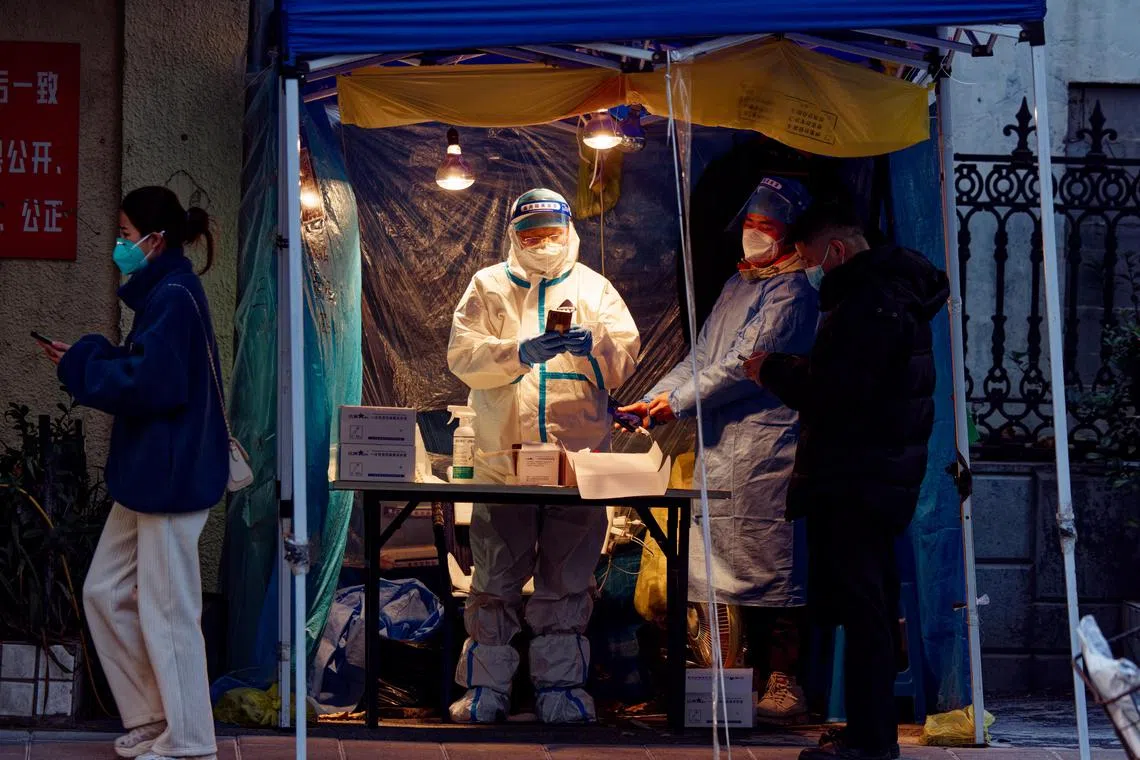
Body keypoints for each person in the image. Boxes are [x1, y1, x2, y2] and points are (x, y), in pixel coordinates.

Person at [744, 201, 950, 760]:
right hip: (879, 476)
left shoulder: (867, 303)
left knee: (865, 614)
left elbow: (836, 393)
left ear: (835, 251)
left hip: (857, 479)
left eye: (811, 260)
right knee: (871, 609)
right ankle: (868, 730)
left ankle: (871, 741)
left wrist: (773, 369)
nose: (811, 272)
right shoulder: (897, 294)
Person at [619, 175, 818, 723]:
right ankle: (722, 685)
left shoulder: (794, 294)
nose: (754, 234)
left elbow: (741, 367)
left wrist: (674, 405)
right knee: (715, 574)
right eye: (750, 223)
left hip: (768, 452)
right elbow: (702, 354)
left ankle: (784, 683)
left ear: (791, 235)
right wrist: (654, 397)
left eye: (767, 226)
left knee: (772, 568)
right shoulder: (739, 286)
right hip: (721, 449)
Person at [43, 187, 227, 760]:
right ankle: (154, 717)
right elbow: (150, 369)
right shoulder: (168, 291)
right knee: (105, 591)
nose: (120, 246)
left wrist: (84, 366)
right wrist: (86, 358)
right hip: (156, 473)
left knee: (168, 610)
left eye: (126, 236)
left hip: (167, 476)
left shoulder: (172, 294)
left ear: (155, 239)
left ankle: (190, 740)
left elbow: (153, 386)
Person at [447, 188, 640, 723]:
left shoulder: (594, 290)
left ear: (568, 230)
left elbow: (624, 358)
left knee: (567, 579)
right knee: (494, 578)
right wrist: (517, 353)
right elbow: (462, 354)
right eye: (529, 237)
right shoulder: (487, 287)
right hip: (501, 463)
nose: (539, 246)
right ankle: (486, 688)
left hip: (576, 465)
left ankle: (562, 688)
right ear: (512, 236)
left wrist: (593, 346)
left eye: (549, 236)